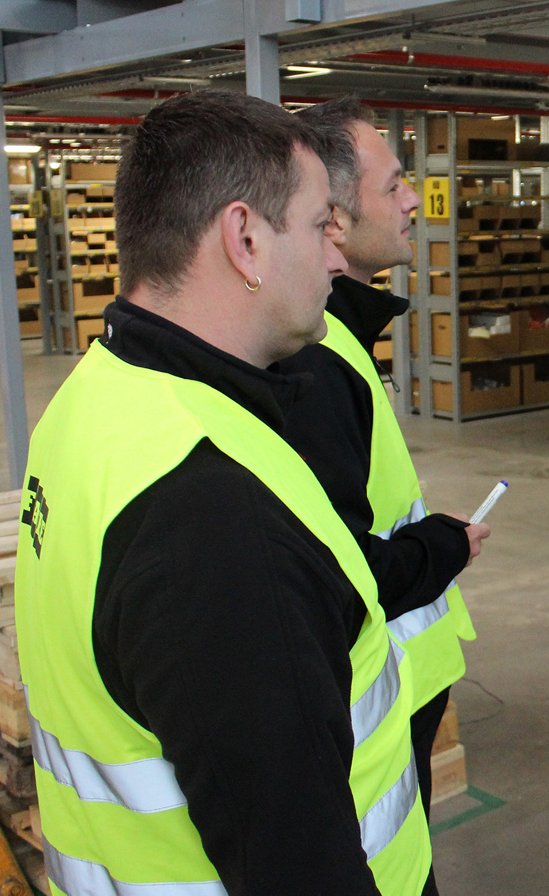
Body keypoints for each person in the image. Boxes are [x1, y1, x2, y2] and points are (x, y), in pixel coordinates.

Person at [15, 91, 431, 895]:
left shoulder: (93, 400)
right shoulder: (215, 516)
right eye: (319, 227)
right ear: (244, 239)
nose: (338, 258)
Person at [281, 97, 485, 895]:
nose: (414, 198)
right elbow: (333, 563)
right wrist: (440, 548)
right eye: (394, 182)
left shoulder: (342, 339)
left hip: (406, 670)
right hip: (380, 679)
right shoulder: (317, 361)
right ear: (331, 216)